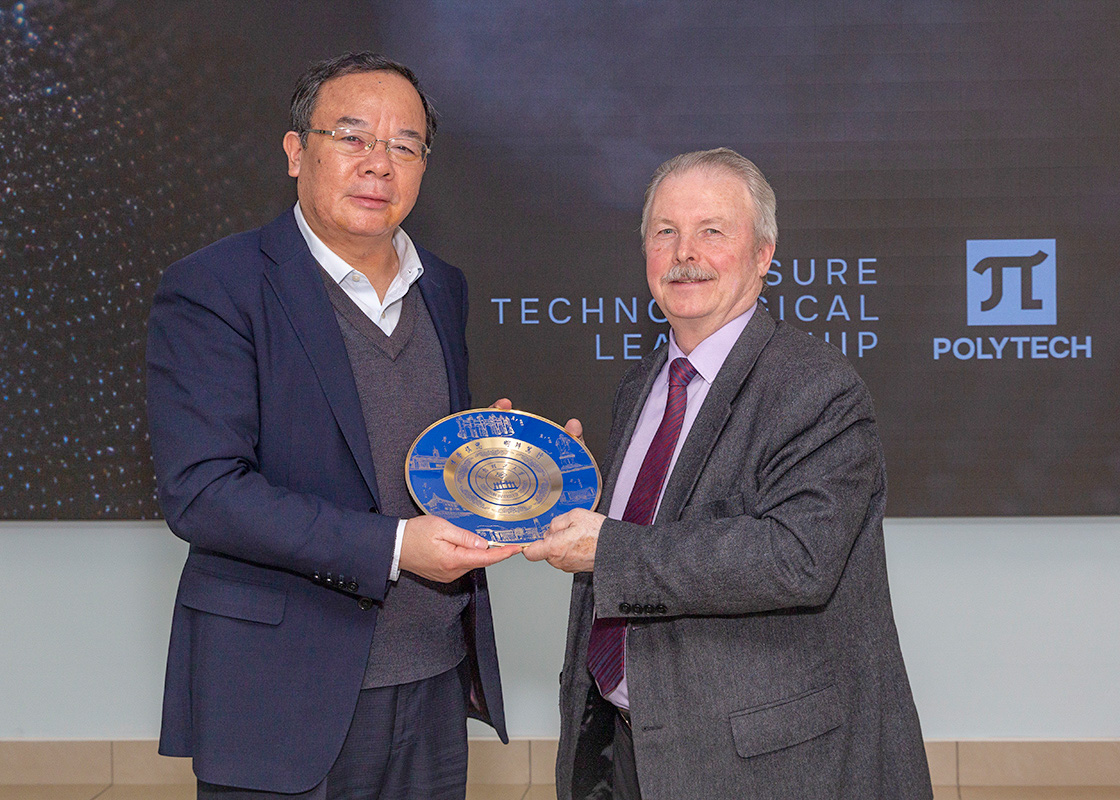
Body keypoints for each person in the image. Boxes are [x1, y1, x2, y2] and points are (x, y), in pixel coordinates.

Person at [145, 52, 522, 799]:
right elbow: (204, 493)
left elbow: (409, 454)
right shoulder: (215, 288)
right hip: (281, 692)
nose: (378, 163)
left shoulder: (443, 286)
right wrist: (394, 548)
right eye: (352, 137)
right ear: (296, 152)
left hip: (433, 679)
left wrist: (495, 454)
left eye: (404, 145)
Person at [525, 148, 932, 799]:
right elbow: (656, 524)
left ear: (763, 254)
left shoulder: (816, 387)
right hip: (624, 748)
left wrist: (608, 549)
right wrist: (545, 480)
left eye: (712, 230)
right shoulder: (640, 386)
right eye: (665, 232)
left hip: (758, 766)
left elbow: (797, 557)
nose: (685, 252)